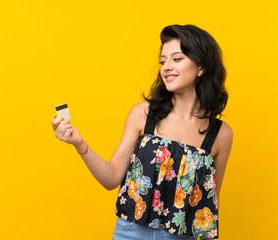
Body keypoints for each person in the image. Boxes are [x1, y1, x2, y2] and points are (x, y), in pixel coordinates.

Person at [52, 24, 233, 240]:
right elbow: (111, 179)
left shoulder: (221, 134)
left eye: (176, 59)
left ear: (201, 67)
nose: (166, 67)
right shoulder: (144, 115)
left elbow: (210, 204)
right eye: (162, 61)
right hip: (131, 233)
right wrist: (79, 144)